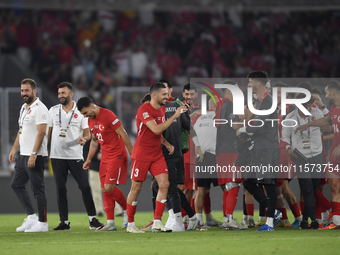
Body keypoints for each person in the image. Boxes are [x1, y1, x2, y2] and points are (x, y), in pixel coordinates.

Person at [126, 82, 187, 233]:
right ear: (155, 95)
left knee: (164, 184)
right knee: (136, 188)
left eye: (168, 94)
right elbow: (155, 129)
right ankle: (130, 224)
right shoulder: (144, 109)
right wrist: (175, 116)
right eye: (164, 94)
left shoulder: (162, 109)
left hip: (156, 154)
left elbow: (158, 134)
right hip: (141, 154)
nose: (167, 97)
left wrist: (166, 143)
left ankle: (157, 222)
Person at [48, 82, 103, 230]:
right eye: (59, 93)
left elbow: (87, 134)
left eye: (63, 93)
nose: (60, 96)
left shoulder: (80, 112)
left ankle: (92, 220)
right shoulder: (52, 111)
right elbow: (47, 132)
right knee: (60, 189)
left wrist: (84, 139)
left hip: (75, 156)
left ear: (71, 94)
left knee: (85, 186)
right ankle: (64, 222)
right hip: (57, 156)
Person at [77, 96, 133, 231]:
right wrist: (89, 158)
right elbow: (95, 141)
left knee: (108, 187)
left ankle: (127, 210)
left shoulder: (108, 115)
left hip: (117, 155)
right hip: (105, 157)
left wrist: (134, 155)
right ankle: (111, 223)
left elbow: (124, 134)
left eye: (85, 113)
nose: (85, 116)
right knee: (105, 190)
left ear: (92, 106)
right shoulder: (90, 120)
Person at [236, 71, 281, 231]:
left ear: (258, 83)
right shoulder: (262, 101)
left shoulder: (268, 101)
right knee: (248, 181)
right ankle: (274, 212)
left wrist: (242, 129)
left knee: (268, 185)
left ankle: (269, 222)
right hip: (260, 148)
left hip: (268, 148)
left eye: (250, 82)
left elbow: (260, 125)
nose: (248, 85)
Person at [296, 80, 340, 230]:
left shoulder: (320, 108)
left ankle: (325, 216)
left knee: (318, 187)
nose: (325, 95)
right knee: (329, 187)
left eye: (327, 93)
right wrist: (308, 125)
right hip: (324, 155)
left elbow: (330, 127)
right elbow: (328, 122)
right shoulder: (333, 109)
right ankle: (331, 219)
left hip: (322, 153)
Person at [9, 78, 49, 232]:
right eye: (22, 90)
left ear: (34, 91)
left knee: (38, 189)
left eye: (26, 90)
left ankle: (43, 223)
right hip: (23, 155)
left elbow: (41, 132)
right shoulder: (24, 108)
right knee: (16, 184)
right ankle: (32, 217)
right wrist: (14, 148)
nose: (24, 93)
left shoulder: (40, 108)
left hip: (35, 156)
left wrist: (33, 154)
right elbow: (21, 130)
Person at [282, 93, 323, 229]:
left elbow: (331, 122)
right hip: (300, 157)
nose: (310, 107)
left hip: (317, 155)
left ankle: (305, 221)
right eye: (306, 105)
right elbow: (285, 137)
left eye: (310, 104)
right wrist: (289, 149)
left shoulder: (318, 112)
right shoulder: (290, 118)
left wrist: (322, 104)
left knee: (313, 188)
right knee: (307, 190)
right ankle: (315, 220)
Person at [215, 80, 245, 230]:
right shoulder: (230, 105)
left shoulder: (220, 105)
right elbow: (234, 125)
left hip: (221, 151)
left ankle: (227, 218)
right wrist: (247, 123)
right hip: (231, 150)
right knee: (234, 185)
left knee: (228, 186)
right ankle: (230, 218)